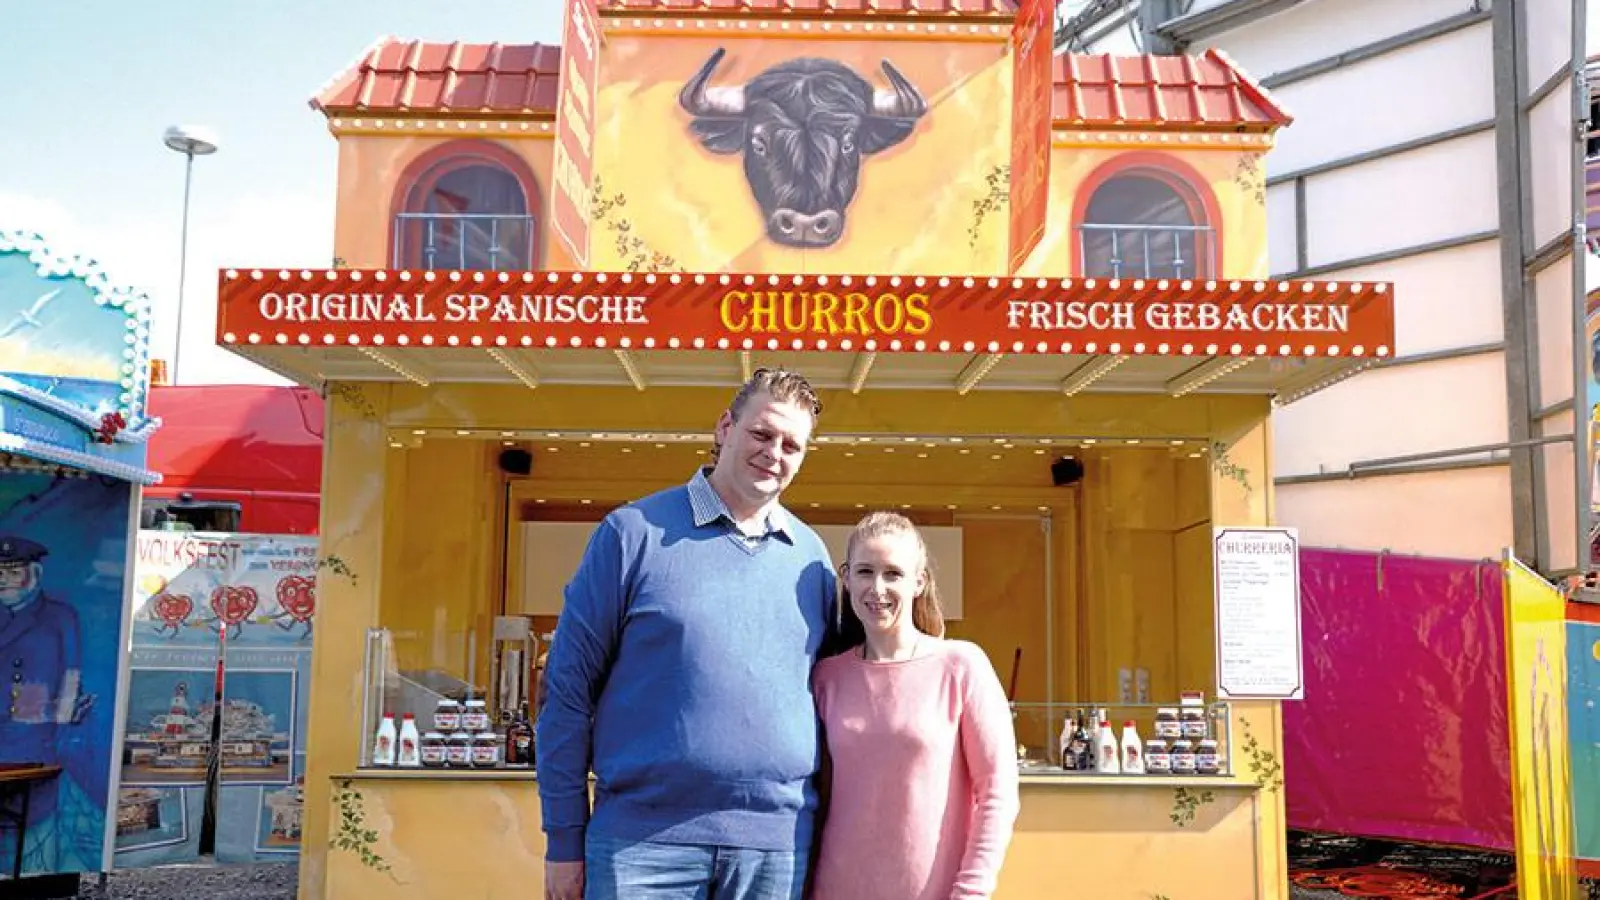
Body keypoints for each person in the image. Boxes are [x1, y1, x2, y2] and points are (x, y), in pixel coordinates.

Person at [536, 368, 838, 900]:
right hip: (642, 847)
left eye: (793, 444)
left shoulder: (812, 560)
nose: (775, 452)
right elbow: (566, 693)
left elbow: (840, 698)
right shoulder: (632, 535)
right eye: (762, 433)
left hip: (776, 851)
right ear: (725, 427)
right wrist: (563, 840)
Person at [810, 512, 1020, 900]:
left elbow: (998, 791)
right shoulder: (827, 677)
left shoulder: (960, 665)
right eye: (864, 571)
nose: (877, 588)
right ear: (846, 577)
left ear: (919, 581)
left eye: (893, 573)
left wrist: (972, 891)